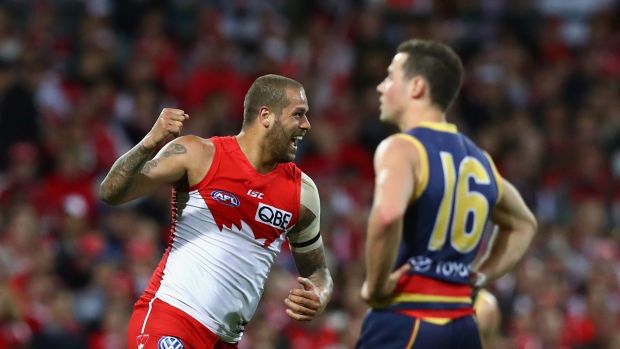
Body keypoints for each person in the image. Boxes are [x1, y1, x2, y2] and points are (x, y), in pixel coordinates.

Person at [99, 74, 333, 349]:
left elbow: (318, 271)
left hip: (225, 342)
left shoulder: (302, 193)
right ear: (266, 116)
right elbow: (111, 192)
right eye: (299, 114)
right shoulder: (198, 154)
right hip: (171, 319)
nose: (306, 125)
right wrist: (150, 142)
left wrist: (320, 292)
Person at [356, 39, 537, 348]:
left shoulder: (402, 148)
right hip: (463, 323)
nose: (381, 87)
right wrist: (479, 276)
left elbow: (387, 215)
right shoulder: (480, 160)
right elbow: (524, 223)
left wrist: (374, 286)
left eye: (390, 77)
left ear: (416, 87)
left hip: (408, 316)